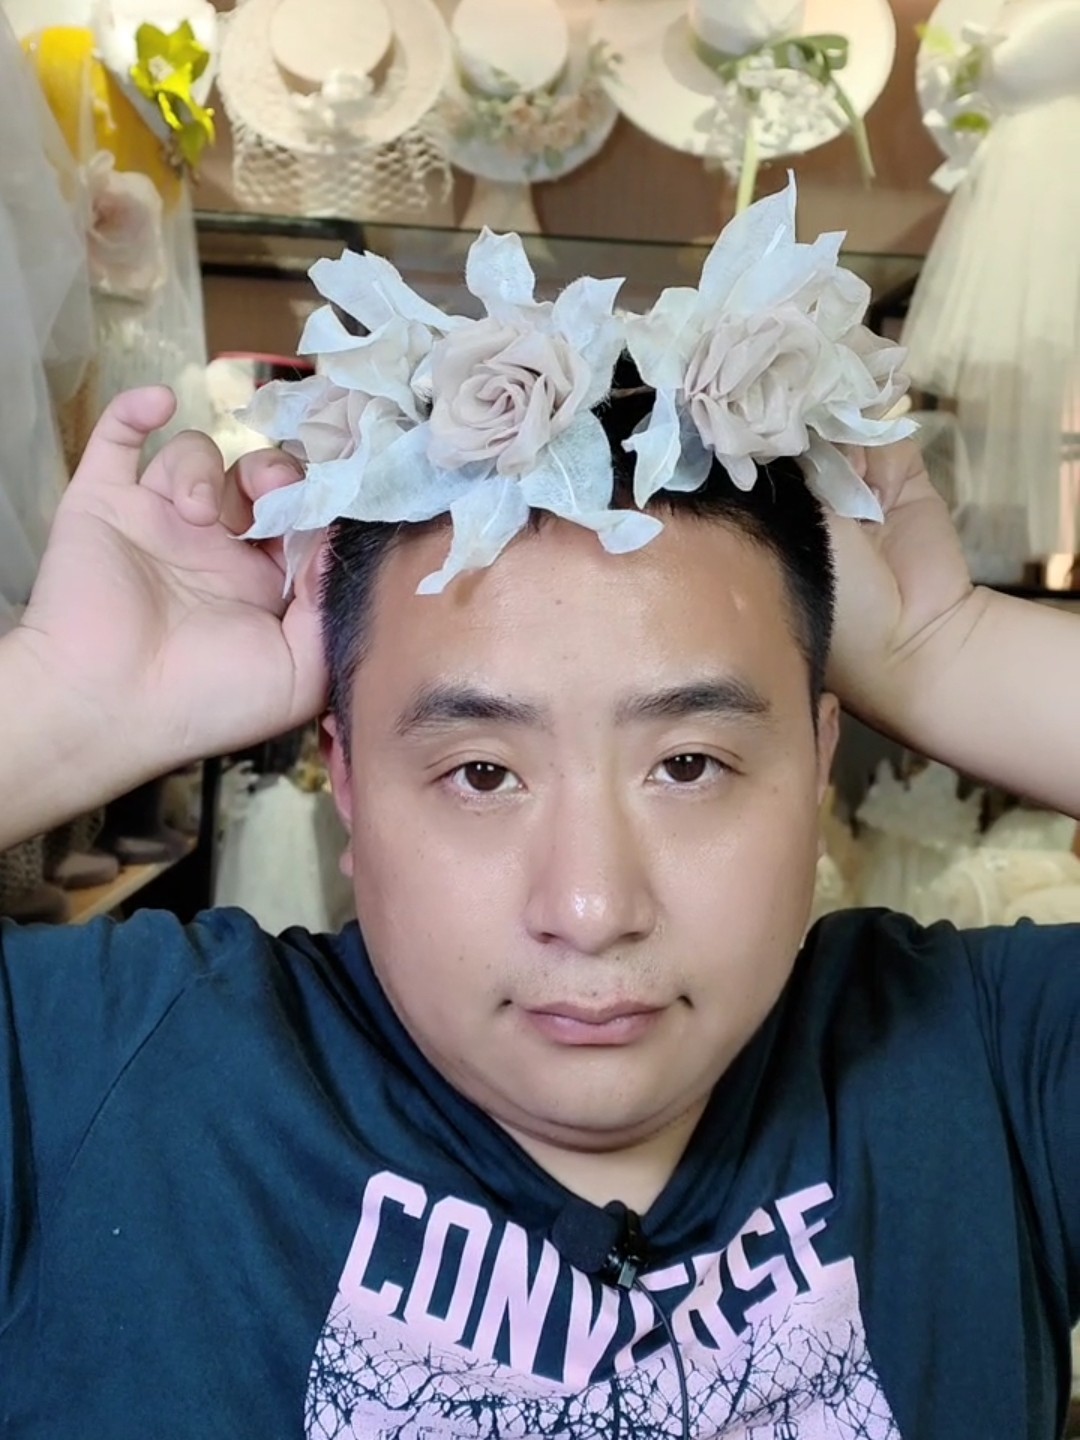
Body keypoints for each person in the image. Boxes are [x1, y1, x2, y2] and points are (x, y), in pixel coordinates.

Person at [0, 189, 1077, 1440]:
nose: (591, 908)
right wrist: (65, 707)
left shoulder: (984, 1071)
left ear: (820, 756)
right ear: (345, 776)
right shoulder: (103, 1078)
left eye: (688, 764)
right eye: (481, 774)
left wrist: (951, 653)